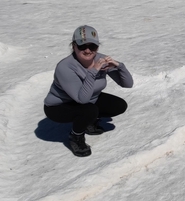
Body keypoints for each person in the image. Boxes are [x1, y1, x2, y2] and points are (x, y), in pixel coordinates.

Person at [43, 25, 133, 157]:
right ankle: (76, 137)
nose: (88, 50)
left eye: (93, 46)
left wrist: (119, 66)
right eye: (82, 46)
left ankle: (88, 122)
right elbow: (81, 99)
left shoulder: (100, 59)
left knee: (119, 105)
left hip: (89, 99)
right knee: (89, 110)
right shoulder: (65, 67)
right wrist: (93, 72)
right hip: (58, 107)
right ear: (74, 46)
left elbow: (127, 84)